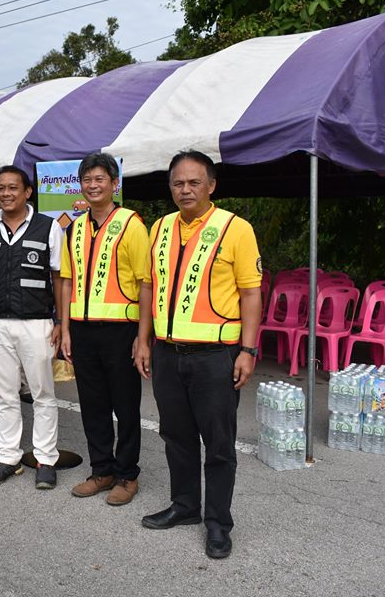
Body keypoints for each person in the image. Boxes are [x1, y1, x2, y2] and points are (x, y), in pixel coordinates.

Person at [133, 150, 262, 560]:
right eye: (178, 183)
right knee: (176, 436)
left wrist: (248, 350)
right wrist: (143, 339)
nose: (185, 190)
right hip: (168, 353)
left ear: (211, 185)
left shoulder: (235, 229)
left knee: (219, 444)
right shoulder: (160, 228)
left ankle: (218, 523)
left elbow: (251, 293)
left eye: (193, 182)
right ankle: (185, 505)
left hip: (215, 355)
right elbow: (149, 286)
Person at [58, 152, 149, 506]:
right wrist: (65, 328)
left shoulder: (131, 224)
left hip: (120, 330)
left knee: (125, 406)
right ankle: (102, 470)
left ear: (114, 183)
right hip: (82, 330)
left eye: (100, 179)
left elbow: (145, 283)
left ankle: (127, 475)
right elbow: (67, 280)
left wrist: (143, 337)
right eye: (87, 180)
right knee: (92, 405)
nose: (93, 185)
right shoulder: (75, 227)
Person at [0, 166, 64, 489]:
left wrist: (60, 321)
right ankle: (9, 458)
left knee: (43, 394)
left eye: (13, 187)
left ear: (27, 192)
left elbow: (59, 277)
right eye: (0, 188)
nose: (6, 193)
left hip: (36, 323)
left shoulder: (48, 227)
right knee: (5, 395)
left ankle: (46, 459)